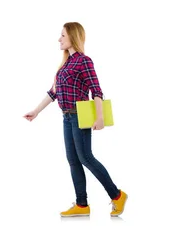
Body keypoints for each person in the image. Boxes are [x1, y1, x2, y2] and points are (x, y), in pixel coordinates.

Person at [23, 22, 128, 217]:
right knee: (73, 160)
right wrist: (36, 111)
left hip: (80, 116)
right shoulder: (65, 64)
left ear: (73, 36)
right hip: (66, 117)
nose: (59, 39)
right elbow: (53, 92)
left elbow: (97, 90)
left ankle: (117, 195)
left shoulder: (84, 61)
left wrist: (100, 117)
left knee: (86, 158)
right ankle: (82, 205)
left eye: (63, 35)